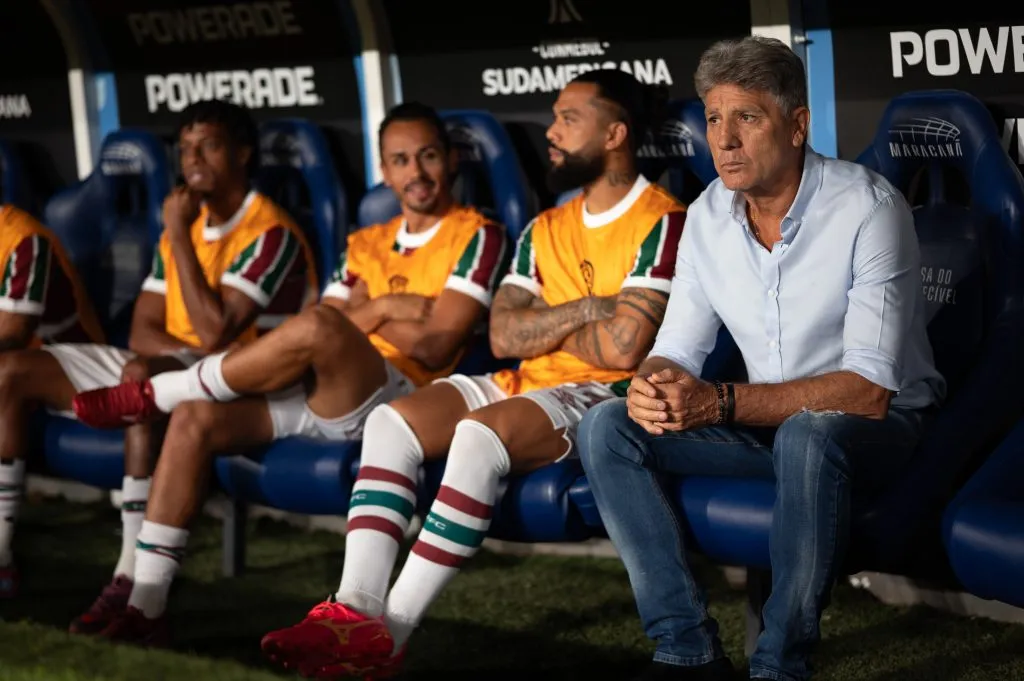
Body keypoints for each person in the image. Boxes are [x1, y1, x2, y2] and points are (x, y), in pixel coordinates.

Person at [258, 69, 687, 679]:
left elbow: (623, 349)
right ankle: (350, 612)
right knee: (390, 424)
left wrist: (549, 319)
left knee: (477, 434)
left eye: (569, 119)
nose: (553, 133)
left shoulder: (663, 220)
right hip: (527, 380)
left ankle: (389, 638)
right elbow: (503, 334)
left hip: (603, 394)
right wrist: (589, 308)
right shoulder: (544, 229)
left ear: (615, 133)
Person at [68, 101, 509, 645]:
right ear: (384, 168)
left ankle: (157, 391)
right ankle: (145, 605)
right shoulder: (365, 242)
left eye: (428, 157)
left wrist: (360, 316)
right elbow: (322, 328)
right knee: (194, 420)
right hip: (323, 388)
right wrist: (387, 309)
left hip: (396, 398)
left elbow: (438, 339)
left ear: (450, 160)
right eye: (400, 160)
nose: (415, 173)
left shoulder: (478, 234)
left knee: (324, 326)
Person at [576, 36, 946, 681]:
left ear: (797, 125)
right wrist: (649, 389)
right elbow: (676, 350)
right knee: (607, 426)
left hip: (880, 429)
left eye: (747, 117)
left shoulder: (868, 207)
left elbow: (868, 390)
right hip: (767, 424)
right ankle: (686, 651)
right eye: (715, 118)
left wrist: (718, 402)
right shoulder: (707, 214)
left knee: (808, 433)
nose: (724, 139)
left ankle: (780, 665)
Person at [0, 99, 318, 624]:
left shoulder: (269, 232)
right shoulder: (185, 221)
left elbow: (217, 332)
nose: (192, 160)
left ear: (242, 153)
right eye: (186, 148)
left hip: (244, 376)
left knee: (140, 376)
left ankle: (127, 575)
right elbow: (143, 327)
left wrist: (176, 234)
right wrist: (172, 339)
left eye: (209, 145)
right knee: (11, 372)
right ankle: (4, 554)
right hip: (163, 364)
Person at [0, 203, 108, 597]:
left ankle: (1, 555)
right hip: (20, 379)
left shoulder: (22, 238)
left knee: (4, 373)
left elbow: (11, 334)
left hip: (74, 370)